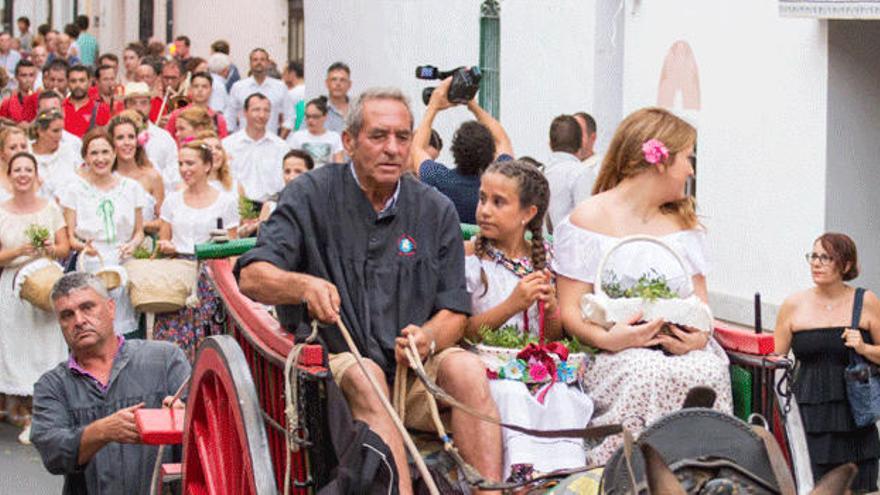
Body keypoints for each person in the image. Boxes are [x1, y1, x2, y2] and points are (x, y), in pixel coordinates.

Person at [235, 87, 503, 494]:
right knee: (368, 372)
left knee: (465, 368)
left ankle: (489, 490)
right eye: (378, 136)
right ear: (349, 141)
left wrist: (428, 336)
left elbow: (455, 312)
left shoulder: (436, 210)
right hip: (333, 370)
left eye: (402, 137)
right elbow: (252, 276)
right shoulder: (309, 195)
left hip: (412, 374)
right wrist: (302, 284)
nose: (392, 148)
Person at [554, 107, 732, 465]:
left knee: (707, 370)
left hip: (683, 349)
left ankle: (705, 470)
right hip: (613, 352)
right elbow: (568, 309)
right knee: (644, 371)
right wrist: (608, 338)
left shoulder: (684, 224)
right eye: (688, 158)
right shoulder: (589, 218)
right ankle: (630, 471)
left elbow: (701, 304)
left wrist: (698, 337)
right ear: (660, 160)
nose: (691, 170)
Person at [465, 159, 593, 477]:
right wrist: (511, 305)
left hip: (537, 370)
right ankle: (521, 476)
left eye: (498, 202)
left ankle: (561, 476)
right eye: (482, 199)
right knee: (511, 394)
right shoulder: (470, 259)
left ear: (528, 213)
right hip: (487, 373)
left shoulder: (548, 261)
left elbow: (553, 338)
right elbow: (463, 332)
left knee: (562, 395)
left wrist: (551, 310)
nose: (485, 210)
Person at [31, 272, 190, 495]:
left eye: (87, 307)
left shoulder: (165, 359)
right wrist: (102, 431)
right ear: (60, 324)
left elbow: (206, 432)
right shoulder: (52, 386)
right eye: (67, 315)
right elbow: (53, 453)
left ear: (111, 308)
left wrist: (183, 416)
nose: (79, 321)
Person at [774, 233, 880, 492]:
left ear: (845, 265)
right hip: (809, 413)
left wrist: (864, 347)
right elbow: (775, 360)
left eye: (826, 257)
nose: (816, 263)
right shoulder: (793, 305)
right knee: (813, 485)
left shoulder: (865, 302)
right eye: (813, 256)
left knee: (858, 487)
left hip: (855, 416)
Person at [0, 152, 70, 444]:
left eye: (28, 169)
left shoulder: (50, 208)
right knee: (17, 346)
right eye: (17, 170)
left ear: (36, 174)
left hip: (45, 281)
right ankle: (23, 409)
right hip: (13, 287)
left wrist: (48, 248)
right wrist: (19, 251)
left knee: (47, 345)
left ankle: (45, 409)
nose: (23, 175)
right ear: (10, 175)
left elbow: (65, 247)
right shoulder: (1, 210)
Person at [154, 138, 239, 360]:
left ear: (207, 166)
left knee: (209, 340)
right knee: (172, 344)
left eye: (190, 164)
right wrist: (167, 246)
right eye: (181, 164)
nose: (184, 169)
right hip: (179, 278)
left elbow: (232, 249)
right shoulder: (172, 201)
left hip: (211, 280)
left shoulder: (226, 201)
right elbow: (164, 241)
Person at [61, 128, 146, 336]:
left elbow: (139, 232)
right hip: (91, 262)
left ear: (114, 154)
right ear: (86, 157)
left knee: (124, 325)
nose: (100, 159)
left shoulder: (131, 187)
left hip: (123, 260)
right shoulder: (74, 190)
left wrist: (132, 245)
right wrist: (84, 247)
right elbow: (70, 236)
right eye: (94, 153)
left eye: (105, 152)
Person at [412, 77, 513, 225]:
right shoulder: (501, 181)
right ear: (491, 153)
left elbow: (417, 148)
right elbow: (502, 140)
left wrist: (433, 106)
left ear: (454, 149)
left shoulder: (440, 179)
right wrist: (473, 105)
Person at [222, 93, 289, 204]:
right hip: (236, 205)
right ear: (245, 112)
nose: (262, 115)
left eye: (266, 111)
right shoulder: (228, 145)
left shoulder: (281, 147)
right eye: (256, 110)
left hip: (270, 206)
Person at [237, 148, 313, 238]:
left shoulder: (319, 203)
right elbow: (262, 241)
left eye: (298, 171)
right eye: (287, 171)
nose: (291, 177)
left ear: (311, 173)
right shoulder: (271, 204)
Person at [109, 112, 164, 233]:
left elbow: (164, 221)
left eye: (131, 137)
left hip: (144, 246)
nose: (127, 142)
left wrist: (142, 225)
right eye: (120, 138)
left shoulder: (153, 177)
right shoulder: (106, 177)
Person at [122, 81, 179, 192]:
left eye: (143, 103)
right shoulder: (114, 138)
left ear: (150, 105)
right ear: (125, 106)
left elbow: (174, 174)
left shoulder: (164, 138)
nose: (138, 108)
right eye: (133, 103)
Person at [544, 114, 595, 233]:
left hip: (543, 249)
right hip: (571, 248)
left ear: (550, 145)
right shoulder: (582, 174)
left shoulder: (540, 173)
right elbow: (587, 222)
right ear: (581, 144)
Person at [225, 48, 293, 137]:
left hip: (271, 142)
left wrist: (280, 140)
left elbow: (290, 117)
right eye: (255, 60)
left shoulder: (280, 87)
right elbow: (230, 116)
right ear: (250, 64)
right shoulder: (238, 87)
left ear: (268, 63)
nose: (259, 62)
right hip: (242, 144)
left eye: (262, 59)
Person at [30, 108, 82, 201]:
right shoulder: (26, 154)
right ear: (40, 131)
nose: (60, 135)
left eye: (61, 130)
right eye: (55, 131)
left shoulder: (69, 151)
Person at [165, 72, 229, 141]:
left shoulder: (218, 119)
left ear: (211, 90)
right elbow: (167, 140)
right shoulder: (177, 114)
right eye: (196, 86)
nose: (200, 90)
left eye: (204, 87)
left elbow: (223, 144)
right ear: (190, 89)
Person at [285, 96, 343, 167]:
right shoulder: (297, 137)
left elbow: (339, 164)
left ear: (325, 117)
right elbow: (291, 163)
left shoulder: (334, 137)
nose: (310, 120)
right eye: (308, 116)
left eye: (315, 117)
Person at [62, 65, 110, 137]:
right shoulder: (60, 107)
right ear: (67, 83)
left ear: (90, 82)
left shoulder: (101, 109)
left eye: (82, 80)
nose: (78, 85)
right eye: (73, 81)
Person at [0, 127, 28, 200]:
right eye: (13, 148)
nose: (20, 151)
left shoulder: (39, 179)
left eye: (23, 146)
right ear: (1, 152)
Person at [323, 61, 351, 133]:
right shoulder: (316, 109)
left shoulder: (358, 109)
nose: (338, 84)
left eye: (342, 80)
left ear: (349, 84)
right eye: (334, 79)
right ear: (326, 83)